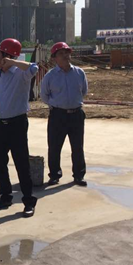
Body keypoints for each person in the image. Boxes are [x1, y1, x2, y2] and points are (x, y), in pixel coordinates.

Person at [0, 39, 38, 218]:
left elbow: (34, 68)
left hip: (17, 124)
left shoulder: (20, 73)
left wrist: (13, 63)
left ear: (6, 56)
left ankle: (28, 201)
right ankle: (5, 196)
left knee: (21, 163)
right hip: (0, 124)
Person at [41, 42, 88, 187]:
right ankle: (54, 175)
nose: (65, 56)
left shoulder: (79, 73)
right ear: (54, 58)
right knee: (54, 147)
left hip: (76, 115)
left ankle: (79, 175)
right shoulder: (50, 76)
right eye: (61, 53)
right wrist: (56, 105)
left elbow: (84, 91)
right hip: (58, 116)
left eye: (67, 53)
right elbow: (44, 96)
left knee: (77, 147)